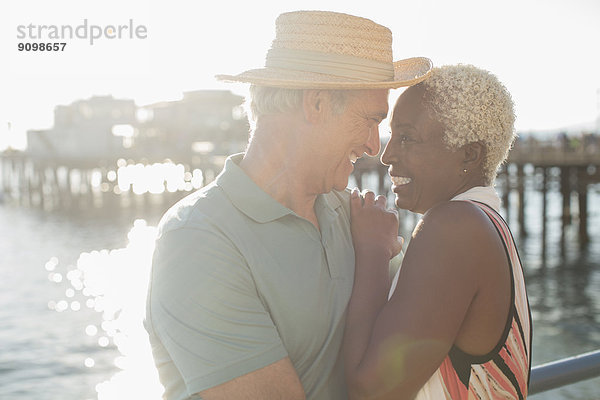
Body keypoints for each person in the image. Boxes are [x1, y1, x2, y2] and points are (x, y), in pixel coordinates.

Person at [144, 10, 432, 400]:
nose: (373, 146)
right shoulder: (197, 239)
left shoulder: (354, 217)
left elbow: (410, 339)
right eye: (369, 120)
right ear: (315, 103)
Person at [343, 64, 532, 399]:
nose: (387, 155)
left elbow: (370, 390)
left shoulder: (455, 227)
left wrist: (372, 251)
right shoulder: (487, 222)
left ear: (469, 155)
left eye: (407, 137)